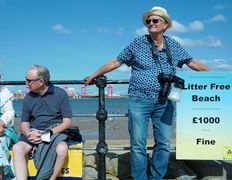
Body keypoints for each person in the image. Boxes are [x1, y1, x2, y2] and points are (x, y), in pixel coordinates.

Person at [84, 6, 210, 180]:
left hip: (166, 100)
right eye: (148, 21)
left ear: (165, 24)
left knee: (164, 144)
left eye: (155, 20)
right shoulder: (138, 43)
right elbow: (116, 61)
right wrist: (94, 75)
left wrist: (220, 78)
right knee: (137, 145)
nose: (150, 23)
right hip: (139, 100)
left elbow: (192, 62)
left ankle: (157, 177)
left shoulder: (173, 45)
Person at [12, 65, 72, 180]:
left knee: (62, 149)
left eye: (29, 81)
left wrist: (48, 134)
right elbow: (24, 123)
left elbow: (67, 122)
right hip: (33, 133)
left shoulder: (60, 94)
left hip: (54, 133)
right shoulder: (28, 97)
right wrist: (29, 134)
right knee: (17, 148)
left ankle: (52, 178)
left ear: (41, 81)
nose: (26, 84)